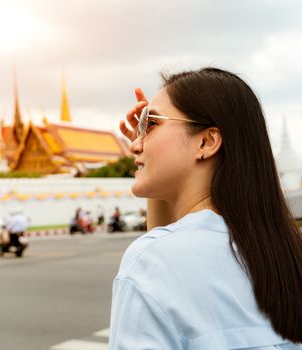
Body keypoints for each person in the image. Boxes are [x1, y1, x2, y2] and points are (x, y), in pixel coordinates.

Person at [109, 67, 302, 349]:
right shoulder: (284, 253)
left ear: (206, 141)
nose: (135, 144)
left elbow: (168, 251)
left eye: (150, 125)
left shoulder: (151, 260)